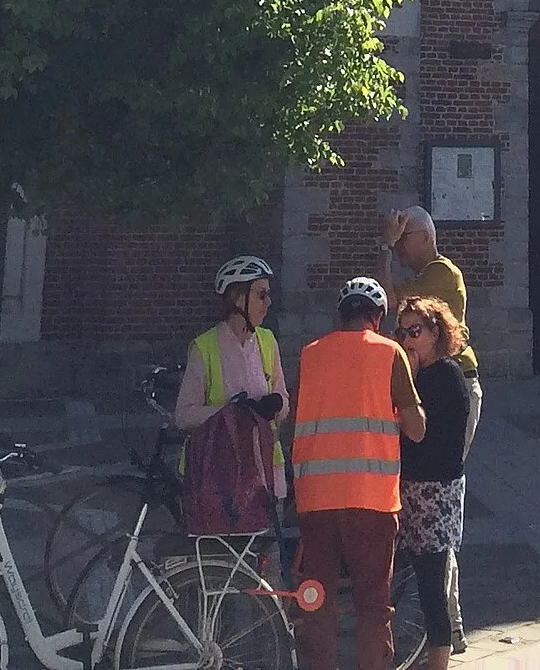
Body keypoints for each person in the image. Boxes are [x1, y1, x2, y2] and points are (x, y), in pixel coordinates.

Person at [290, 276, 426, 670]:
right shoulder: (390, 353)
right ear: (378, 317)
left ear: (340, 314)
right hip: (371, 501)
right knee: (373, 605)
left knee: (316, 600)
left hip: (316, 499)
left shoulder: (310, 354)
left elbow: (293, 423)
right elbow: (416, 429)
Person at [394, 298, 479, 670]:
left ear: (435, 333)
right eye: (403, 332)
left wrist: (407, 377)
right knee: (424, 579)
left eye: (417, 331)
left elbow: (419, 433)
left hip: (433, 493)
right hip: (419, 488)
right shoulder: (428, 374)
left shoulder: (442, 376)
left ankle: (439, 662)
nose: (409, 339)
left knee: (431, 585)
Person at [175, 255, 290, 508]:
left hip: (264, 473)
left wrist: (275, 403)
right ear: (239, 298)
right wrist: (234, 412)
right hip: (218, 478)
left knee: (265, 548)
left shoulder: (267, 341)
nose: (268, 303)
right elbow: (183, 416)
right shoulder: (204, 347)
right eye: (261, 295)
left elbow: (284, 405)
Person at [379, 208, 478, 378]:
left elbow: (386, 299)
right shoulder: (428, 274)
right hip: (439, 372)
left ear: (425, 237)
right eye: (397, 238)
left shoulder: (442, 271)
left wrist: (386, 245)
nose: (398, 245)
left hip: (454, 373)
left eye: (403, 236)